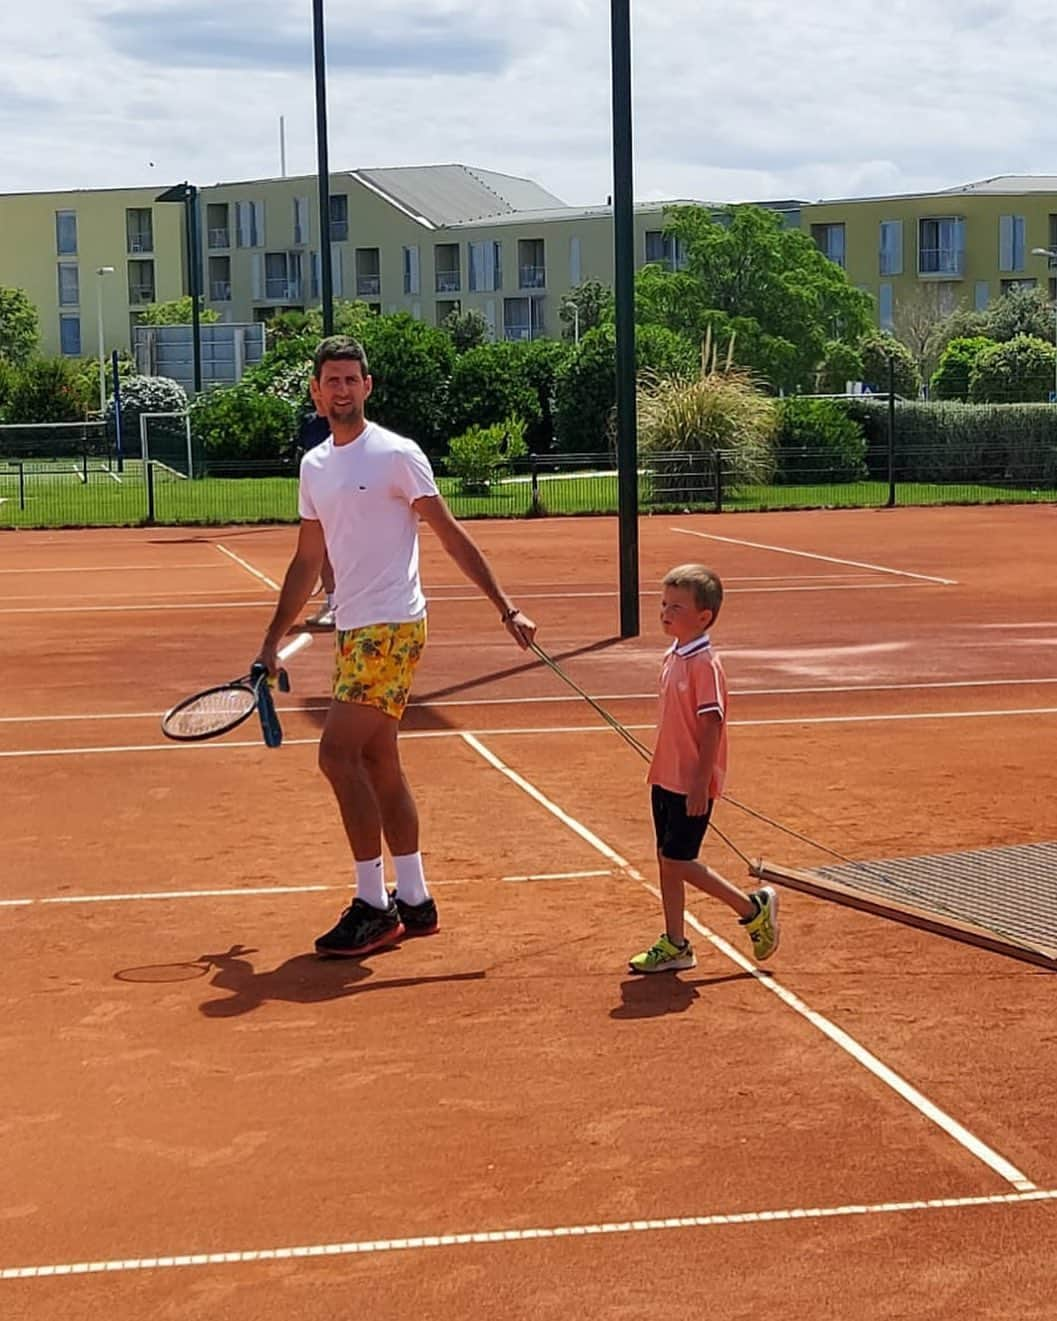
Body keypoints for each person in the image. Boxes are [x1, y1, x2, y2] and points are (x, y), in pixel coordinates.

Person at [256, 336, 536, 957]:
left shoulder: (396, 455)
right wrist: (271, 640)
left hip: (394, 625)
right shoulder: (316, 467)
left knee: (336, 756)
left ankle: (372, 905)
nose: (343, 389)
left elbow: (449, 532)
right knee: (380, 761)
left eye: (352, 379)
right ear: (316, 391)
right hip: (355, 628)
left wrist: (504, 605)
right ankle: (415, 898)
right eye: (332, 380)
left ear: (368, 386)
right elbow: (308, 560)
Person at [629, 564, 779, 973]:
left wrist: (700, 783)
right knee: (667, 860)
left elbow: (712, 724)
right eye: (663, 603)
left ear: (703, 617)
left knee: (678, 861)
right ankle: (676, 943)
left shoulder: (704, 664)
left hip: (690, 783)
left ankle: (751, 908)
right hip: (664, 778)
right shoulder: (673, 656)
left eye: (675, 606)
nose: (664, 612)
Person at [294, 410, 337, 629]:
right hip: (318, 492)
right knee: (321, 552)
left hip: (339, 493)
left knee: (335, 552)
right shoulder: (309, 422)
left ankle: (340, 605)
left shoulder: (341, 420)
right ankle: (332, 602)